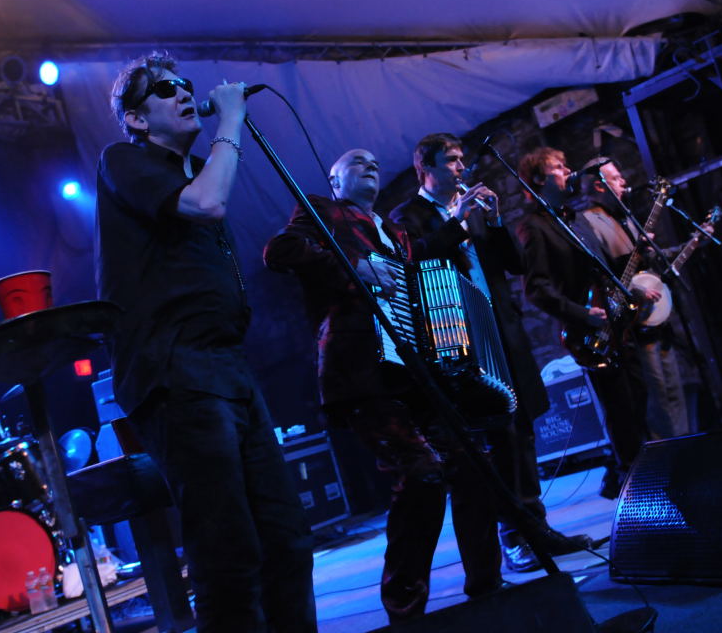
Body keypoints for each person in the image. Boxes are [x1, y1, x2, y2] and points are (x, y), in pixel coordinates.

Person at [95, 52, 315, 633]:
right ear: (136, 118)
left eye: (185, 84)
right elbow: (207, 203)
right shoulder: (124, 159)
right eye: (166, 89)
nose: (183, 92)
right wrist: (232, 119)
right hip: (175, 369)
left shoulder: (193, 170)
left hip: (227, 367)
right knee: (227, 550)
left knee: (287, 538)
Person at [264, 148, 504, 623]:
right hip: (360, 371)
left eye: (374, 162)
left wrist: (458, 220)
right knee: (422, 472)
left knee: (474, 463)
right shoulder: (322, 210)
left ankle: (488, 589)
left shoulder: (394, 232)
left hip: (412, 370)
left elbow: (423, 260)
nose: (370, 164)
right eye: (356, 162)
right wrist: (352, 269)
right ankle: (405, 609)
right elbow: (279, 252)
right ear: (335, 181)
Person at [389, 134, 592, 573]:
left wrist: (496, 222)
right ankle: (513, 536)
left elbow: (516, 266)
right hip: (462, 340)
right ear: (426, 169)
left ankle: (538, 528)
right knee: (495, 438)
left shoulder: (474, 209)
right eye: (451, 161)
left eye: (462, 159)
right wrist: (456, 221)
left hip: (502, 329)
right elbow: (415, 262)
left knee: (521, 431)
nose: (461, 168)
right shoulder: (409, 216)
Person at [514, 148, 647, 499]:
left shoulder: (574, 217)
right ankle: (636, 487)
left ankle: (626, 476)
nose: (568, 170)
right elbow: (537, 289)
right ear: (539, 179)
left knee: (639, 402)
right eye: (559, 167)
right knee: (621, 411)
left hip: (618, 325)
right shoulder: (534, 226)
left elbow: (602, 271)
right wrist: (582, 314)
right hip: (590, 332)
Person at [577, 157, 694, 441]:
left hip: (654, 317)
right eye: (616, 178)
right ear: (599, 186)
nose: (624, 182)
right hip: (629, 324)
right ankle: (665, 452)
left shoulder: (626, 217)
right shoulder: (589, 221)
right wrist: (636, 288)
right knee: (656, 394)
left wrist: (691, 243)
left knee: (674, 388)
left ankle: (685, 443)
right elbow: (603, 273)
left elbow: (648, 259)